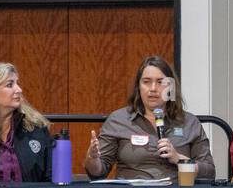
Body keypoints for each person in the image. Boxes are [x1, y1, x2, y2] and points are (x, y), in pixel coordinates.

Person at [84, 56, 214, 181]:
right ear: (138, 87)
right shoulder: (118, 120)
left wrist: (179, 159)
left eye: (160, 82)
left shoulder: (189, 123)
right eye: (146, 82)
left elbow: (209, 172)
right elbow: (97, 174)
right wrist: (92, 158)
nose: (153, 89)